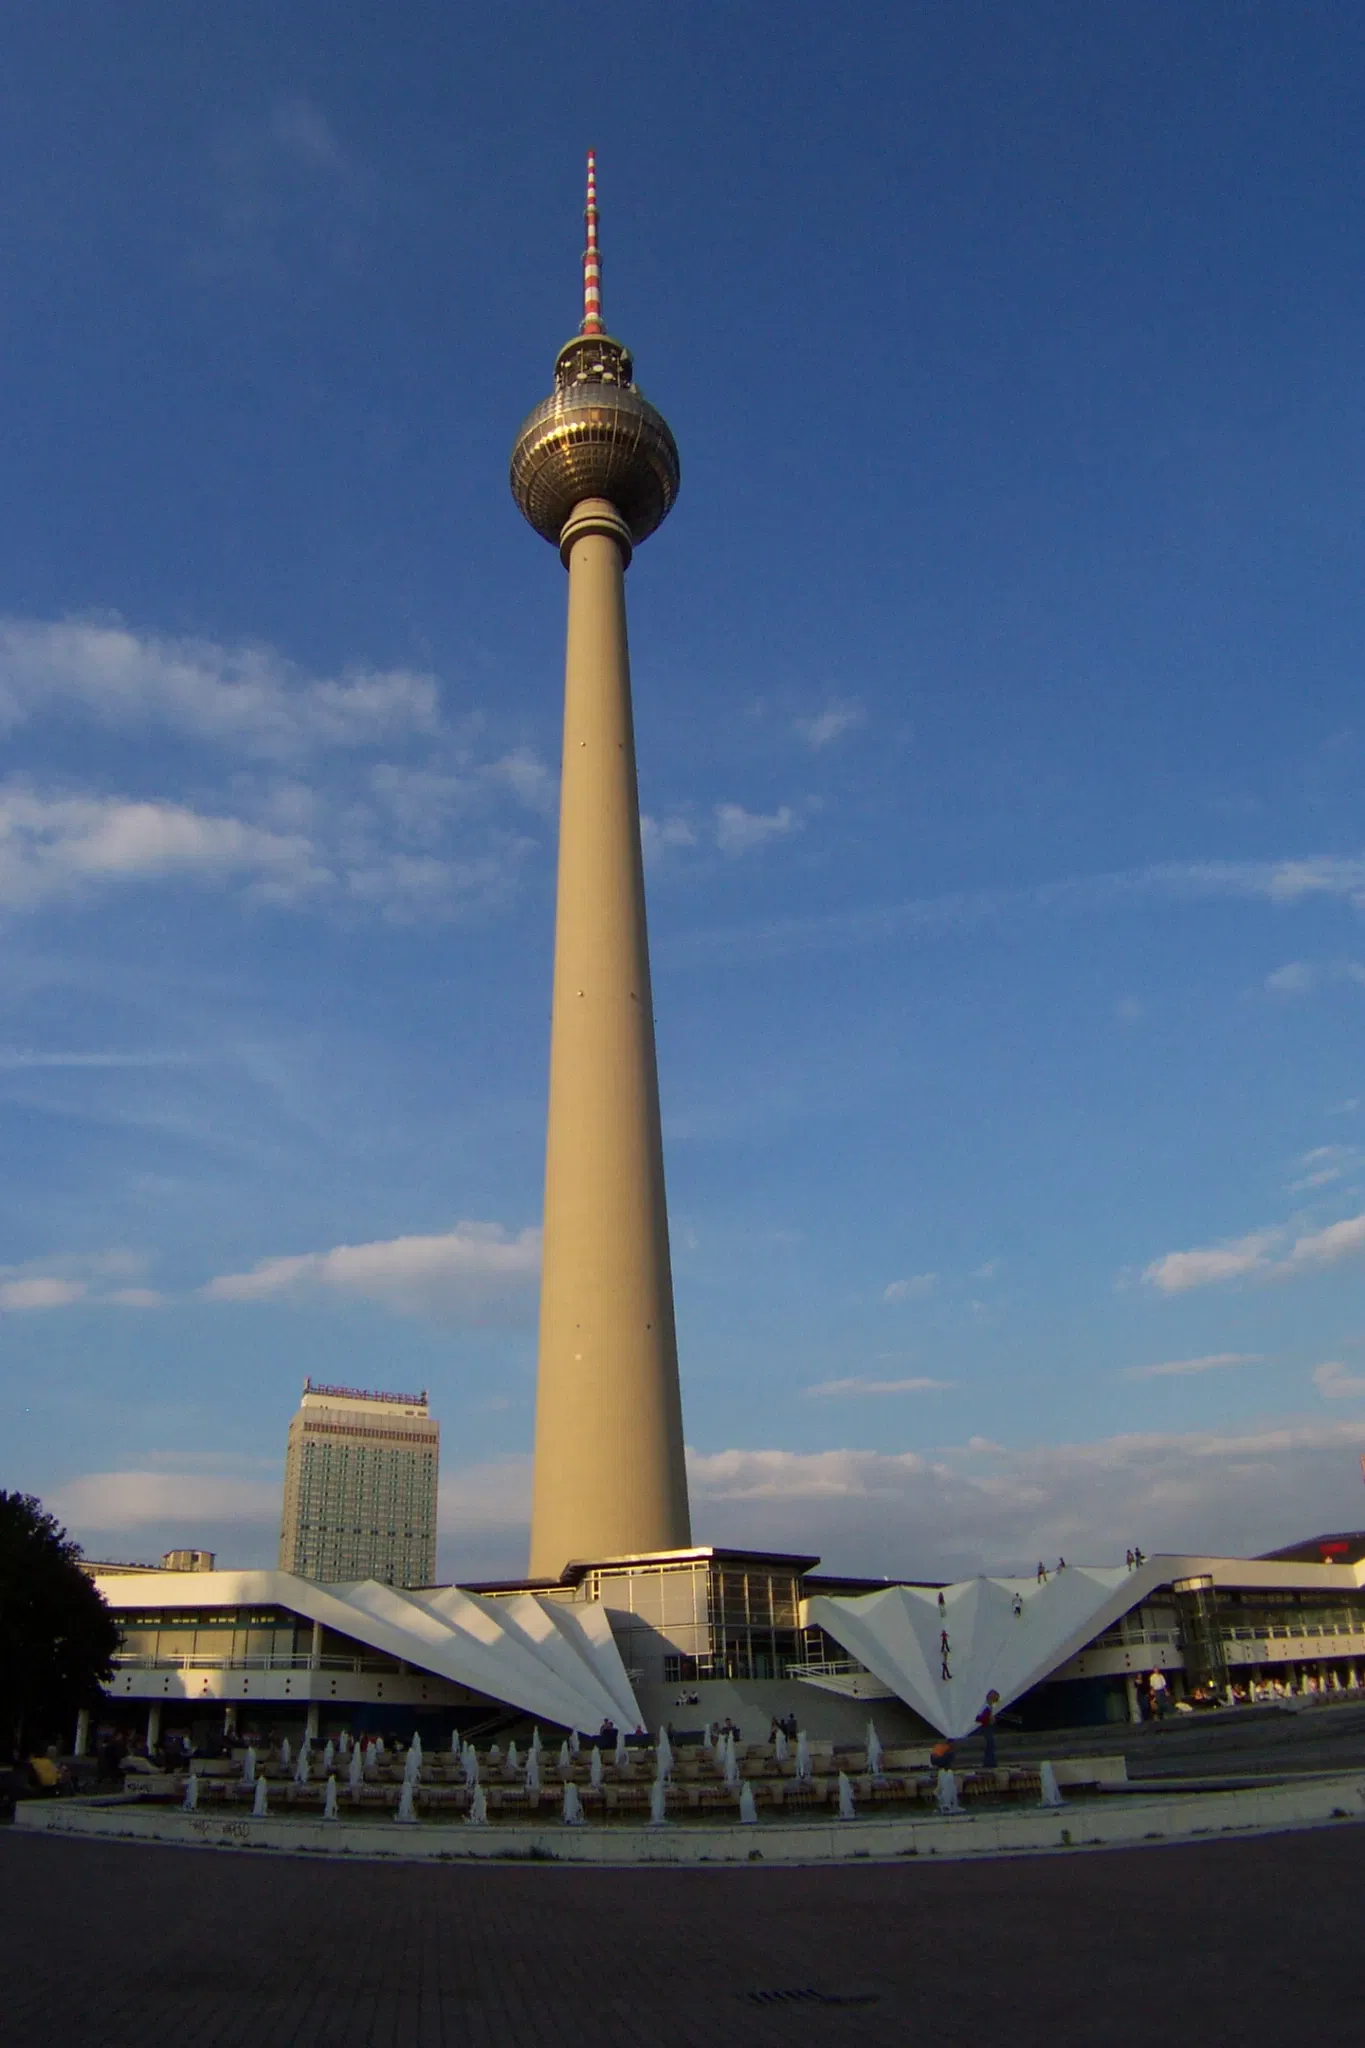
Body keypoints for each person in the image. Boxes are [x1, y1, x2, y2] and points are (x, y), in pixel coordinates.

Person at [975, 1691, 1000, 1769]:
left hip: (988, 1727)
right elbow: (979, 1718)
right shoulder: (985, 1707)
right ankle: (989, 1762)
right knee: (990, 1744)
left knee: (990, 1745)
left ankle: (990, 1762)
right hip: (986, 1728)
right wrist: (989, 1719)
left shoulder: (989, 1707)